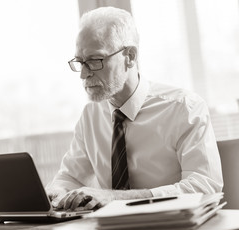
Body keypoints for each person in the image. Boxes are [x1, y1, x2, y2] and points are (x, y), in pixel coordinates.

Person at [45, 7, 223, 211]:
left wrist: (117, 198)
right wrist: (56, 191)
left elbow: (205, 187)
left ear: (129, 56)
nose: (83, 74)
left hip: (174, 227)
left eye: (94, 60)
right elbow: (70, 177)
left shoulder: (184, 108)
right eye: (80, 62)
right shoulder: (90, 116)